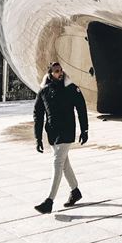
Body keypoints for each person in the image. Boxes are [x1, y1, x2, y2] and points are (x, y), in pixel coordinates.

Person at [33, 62, 88, 214]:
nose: (60, 73)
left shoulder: (70, 88)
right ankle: (75, 191)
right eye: (56, 71)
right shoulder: (44, 91)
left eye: (61, 70)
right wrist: (38, 138)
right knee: (64, 164)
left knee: (57, 163)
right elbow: (38, 115)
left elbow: (81, 107)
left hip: (67, 131)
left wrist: (85, 129)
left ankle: (49, 201)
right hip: (53, 133)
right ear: (50, 73)